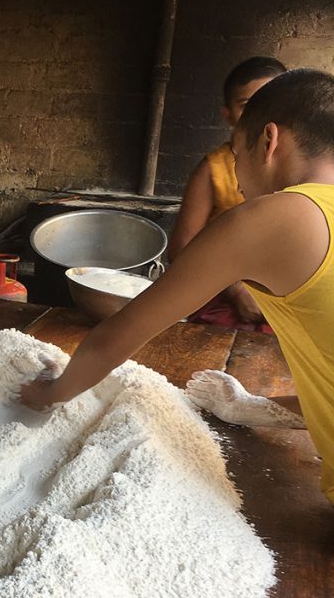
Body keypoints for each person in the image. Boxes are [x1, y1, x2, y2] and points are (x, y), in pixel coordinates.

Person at [20, 69, 334, 507]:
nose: (238, 178)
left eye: (237, 153)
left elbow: (120, 334)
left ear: (269, 141)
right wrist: (254, 406)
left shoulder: (274, 217)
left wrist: (49, 393)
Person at [168, 56, 287, 332]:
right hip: (223, 296)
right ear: (228, 114)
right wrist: (235, 290)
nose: (261, 112)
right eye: (247, 105)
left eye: (271, 101)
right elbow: (180, 250)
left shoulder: (301, 166)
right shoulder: (213, 170)